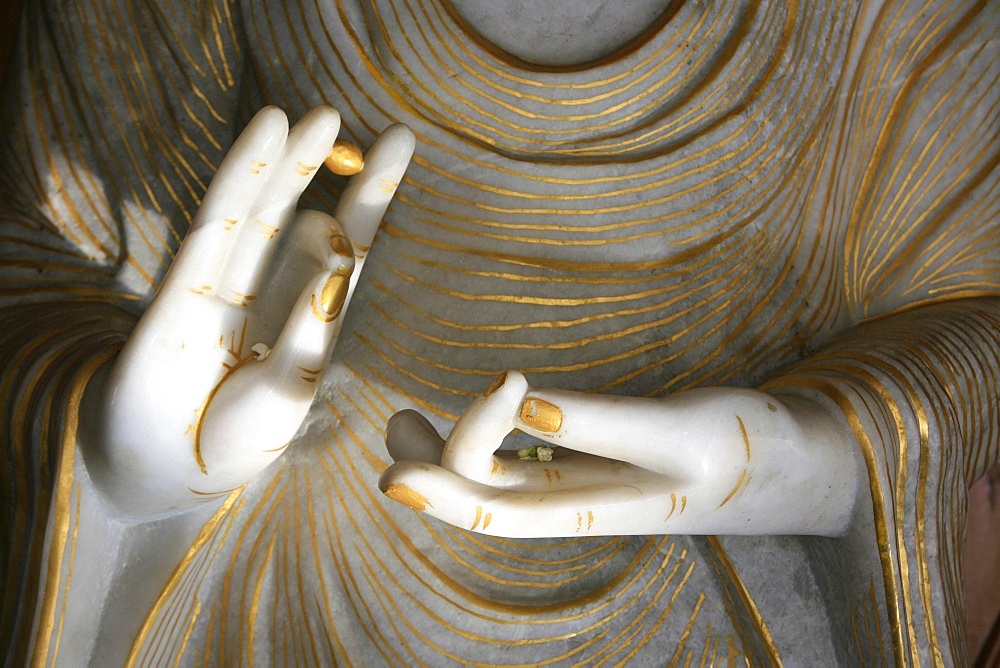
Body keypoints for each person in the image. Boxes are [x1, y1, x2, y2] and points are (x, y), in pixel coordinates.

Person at [1, 0, 996, 664]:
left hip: (731, 614)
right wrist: (121, 459)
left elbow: (975, 304)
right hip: (278, 601)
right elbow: (43, 259)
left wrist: (818, 452)